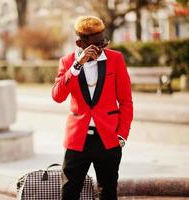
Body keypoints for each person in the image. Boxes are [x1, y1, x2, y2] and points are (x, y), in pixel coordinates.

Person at [52, 16, 133, 200]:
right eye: (97, 45)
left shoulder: (116, 59)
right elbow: (57, 96)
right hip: (77, 139)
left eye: (103, 42)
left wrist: (122, 135)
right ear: (80, 43)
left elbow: (126, 101)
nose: (102, 48)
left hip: (108, 138)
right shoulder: (67, 62)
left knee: (108, 192)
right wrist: (77, 65)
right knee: (69, 192)